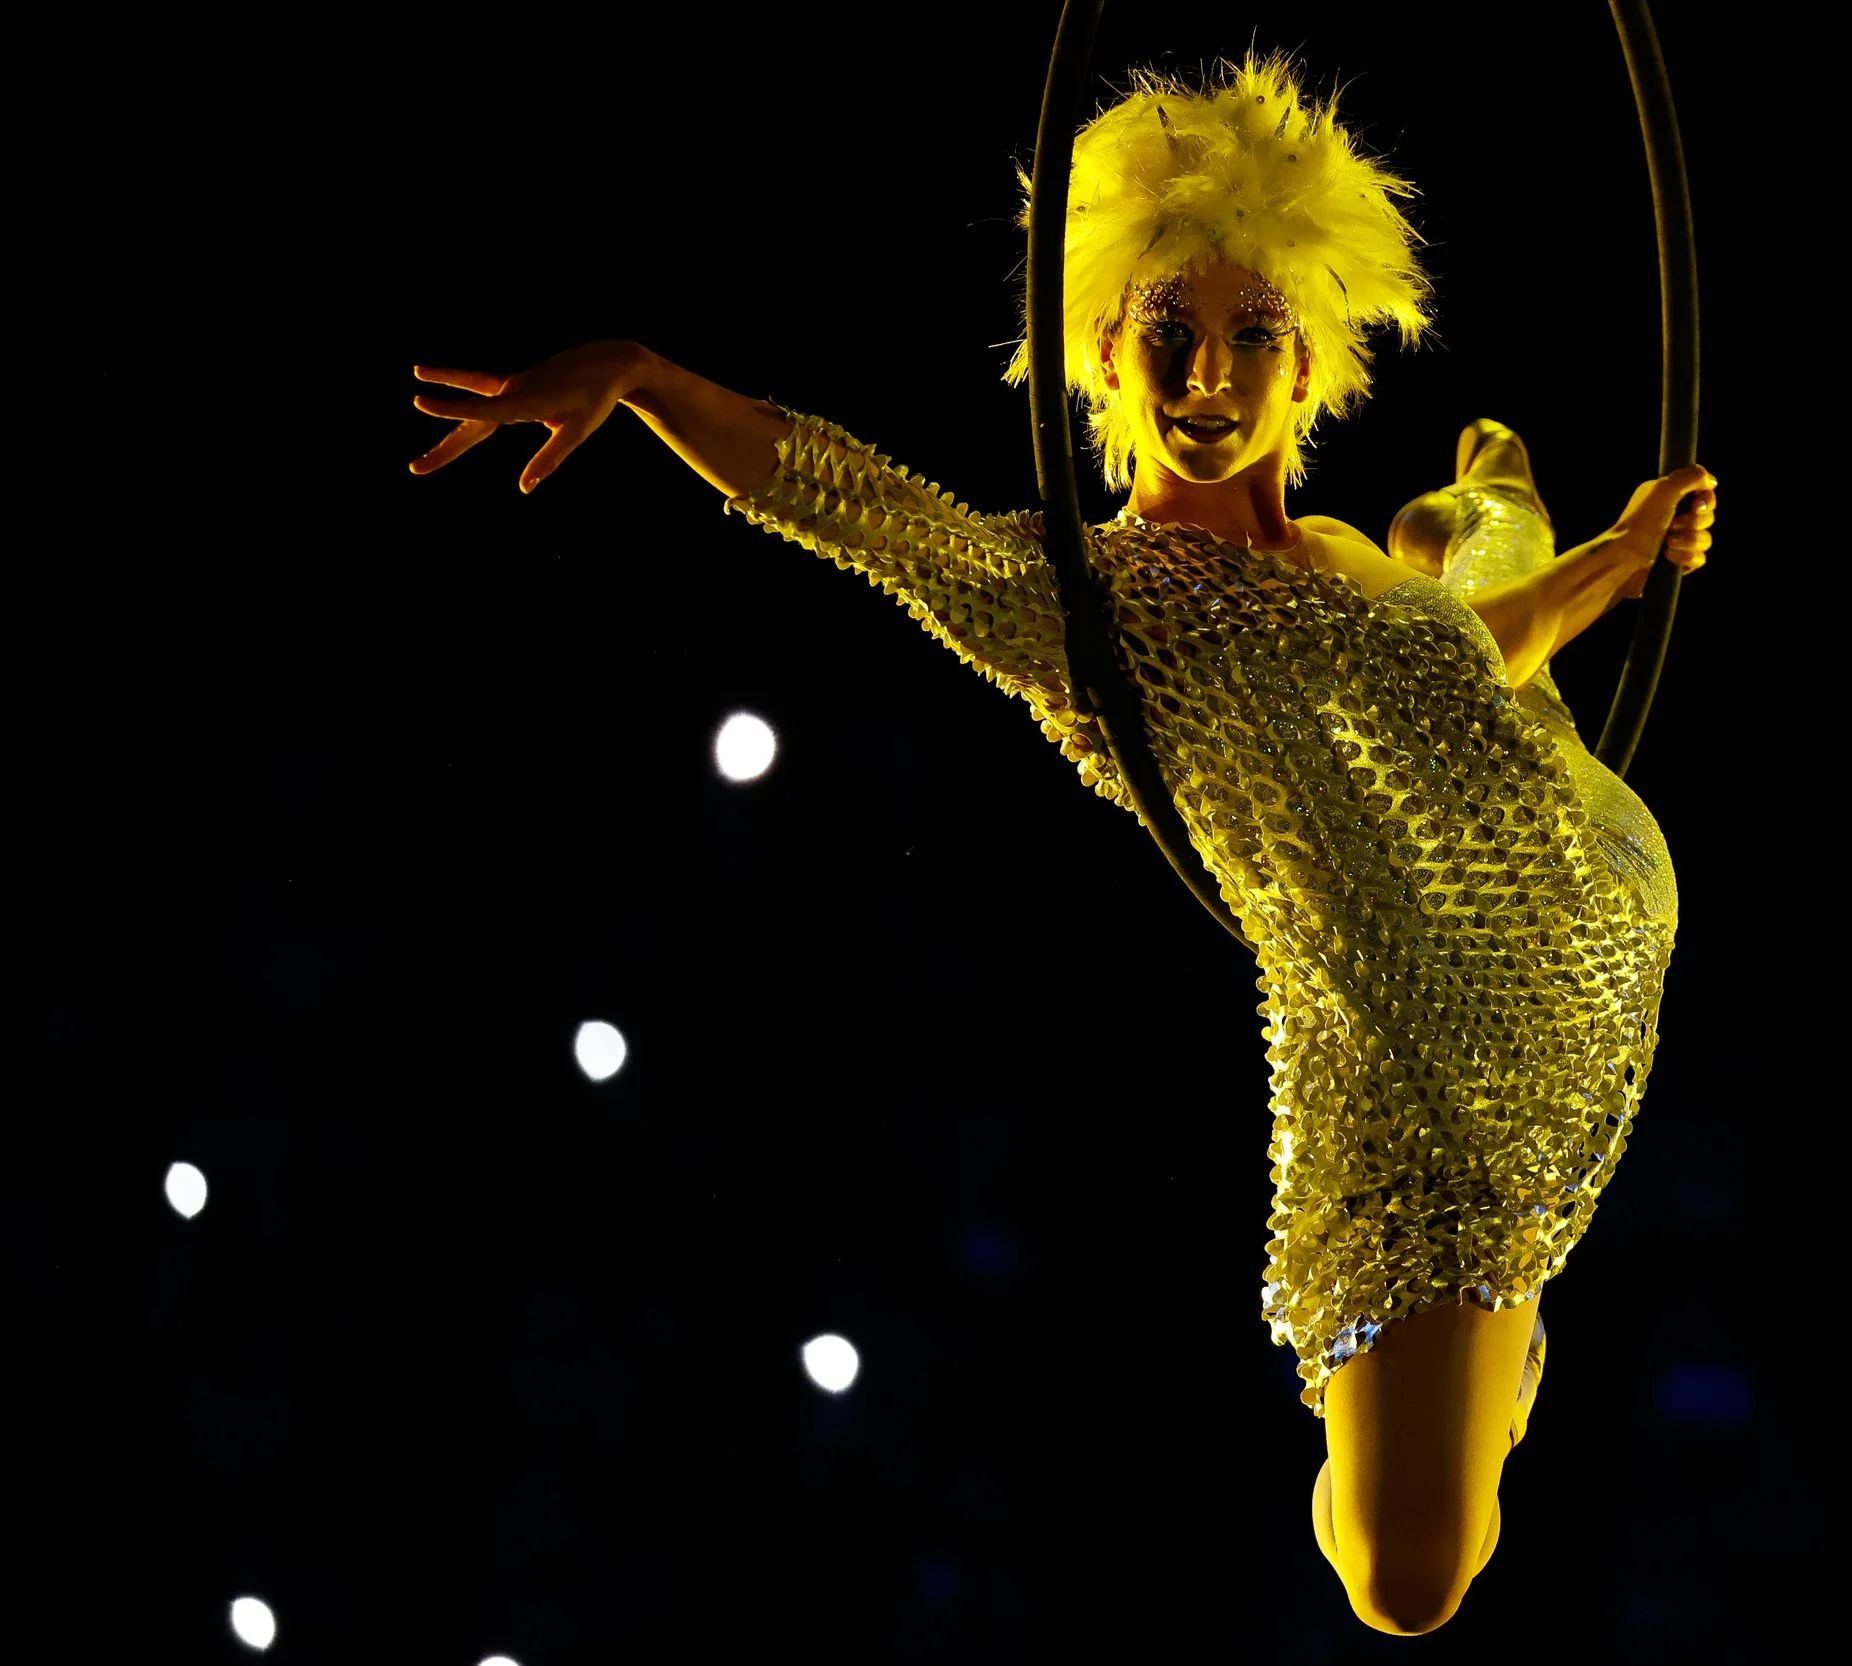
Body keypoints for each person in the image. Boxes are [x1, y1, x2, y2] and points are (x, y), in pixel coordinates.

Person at [409, 49, 1716, 1637]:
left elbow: (1470, 673)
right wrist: (647, 377)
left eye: (1251, 336)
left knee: (1463, 625)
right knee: (1405, 1582)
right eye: (1171, 336)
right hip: (1387, 1062)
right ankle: (1481, 511)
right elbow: (867, 508)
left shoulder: (1339, 565)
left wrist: (1622, 557)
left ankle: (1484, 511)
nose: (1209, 377)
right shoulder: (1093, 610)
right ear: (1102, 355)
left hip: (1555, 926)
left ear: (1309, 366)